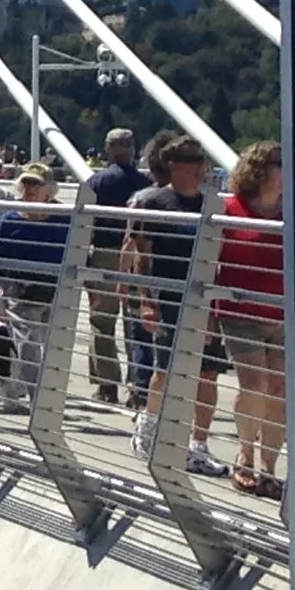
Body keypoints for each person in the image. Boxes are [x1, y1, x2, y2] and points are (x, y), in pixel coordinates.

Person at [122, 135, 231, 474]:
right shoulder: (153, 202)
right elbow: (141, 255)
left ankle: (198, 445)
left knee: (208, 372)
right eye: (193, 160)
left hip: (202, 298)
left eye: (202, 160)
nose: (201, 167)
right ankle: (150, 430)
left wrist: (215, 310)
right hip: (168, 295)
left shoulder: (211, 205)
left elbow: (217, 259)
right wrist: (146, 302)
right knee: (165, 371)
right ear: (174, 166)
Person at [218, 141, 286, 498]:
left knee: (279, 389)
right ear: (259, 169)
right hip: (240, 312)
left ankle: (269, 467)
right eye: (279, 162)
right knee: (255, 383)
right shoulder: (230, 209)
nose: (286, 167)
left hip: (285, 313)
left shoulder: (292, 209)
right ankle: (244, 454)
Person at [85, 129, 152, 405]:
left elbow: (86, 224)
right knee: (135, 322)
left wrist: (86, 262)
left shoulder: (96, 183)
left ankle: (106, 384)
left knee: (102, 321)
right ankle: (137, 385)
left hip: (105, 254)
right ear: (133, 149)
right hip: (137, 254)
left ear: (108, 150)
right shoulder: (145, 183)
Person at [0, 163, 68, 404]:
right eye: (26, 183)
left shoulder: (64, 221)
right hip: (21, 291)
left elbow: (78, 258)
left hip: (56, 290)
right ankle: (40, 399)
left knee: (53, 345)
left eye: (36, 184)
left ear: (49, 191)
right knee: (28, 345)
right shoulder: (10, 220)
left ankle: (51, 394)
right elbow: (0, 259)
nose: (30, 189)